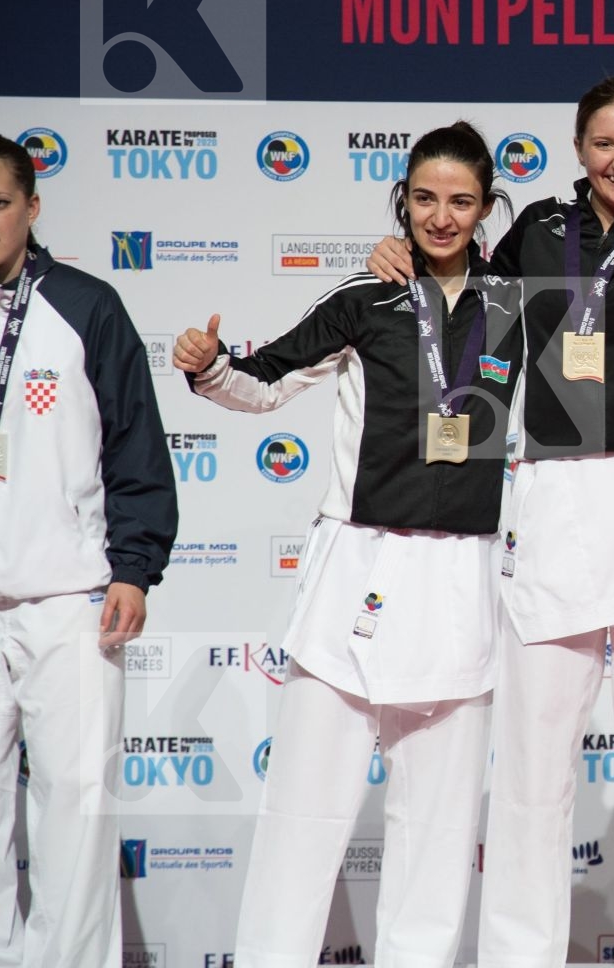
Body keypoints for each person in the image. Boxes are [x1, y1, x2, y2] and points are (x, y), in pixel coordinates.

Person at [367, 78, 614, 965]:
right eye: (605, 144)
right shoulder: (538, 230)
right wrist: (400, 256)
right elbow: (470, 313)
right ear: (578, 148)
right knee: (534, 779)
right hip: (556, 508)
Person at [174, 122, 523, 967]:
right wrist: (210, 364)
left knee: (437, 830)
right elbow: (263, 383)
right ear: (403, 199)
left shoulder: (519, 302)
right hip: (357, 575)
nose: (441, 218)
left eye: (461, 201)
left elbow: (586, 401)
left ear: (485, 211)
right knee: (304, 811)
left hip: (462, 580)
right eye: (425, 199)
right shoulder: (364, 299)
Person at [0, 134, 177, 968]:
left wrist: (133, 568)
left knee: (75, 806)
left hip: (68, 599)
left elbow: (135, 447)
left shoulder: (86, 305)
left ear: (33, 208)